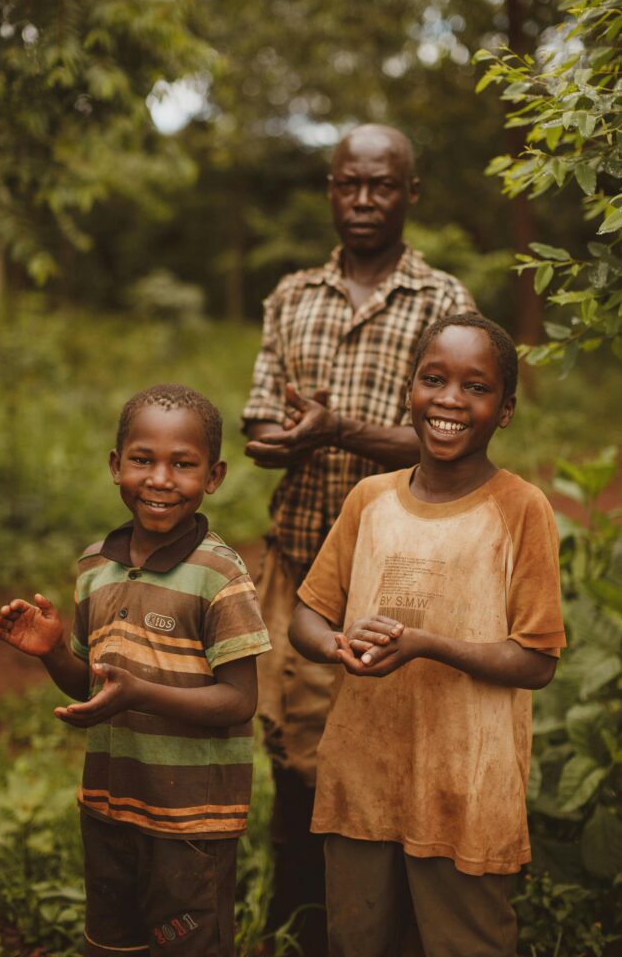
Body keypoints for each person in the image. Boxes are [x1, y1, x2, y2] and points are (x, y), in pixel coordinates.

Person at [241, 123, 475, 951]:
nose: (364, 200)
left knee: (402, 755)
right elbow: (260, 424)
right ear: (330, 190)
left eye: (382, 186)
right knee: (296, 752)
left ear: (410, 194)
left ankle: (397, 928)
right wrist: (279, 438)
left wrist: (337, 428)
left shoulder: (444, 304)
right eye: (349, 184)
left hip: (411, 576)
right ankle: (301, 923)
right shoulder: (291, 296)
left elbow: (454, 439)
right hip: (304, 565)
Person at [289, 314, 566, 957]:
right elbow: (306, 616)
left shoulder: (521, 508)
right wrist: (338, 645)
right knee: (358, 940)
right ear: (409, 391)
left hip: (466, 793)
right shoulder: (369, 498)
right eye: (433, 379)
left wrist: (426, 644)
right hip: (360, 783)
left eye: (476, 387)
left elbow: (536, 659)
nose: (449, 400)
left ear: (505, 411)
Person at [0, 383, 271, 957]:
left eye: (183, 465)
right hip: (111, 809)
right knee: (114, 941)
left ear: (213, 477)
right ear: (117, 466)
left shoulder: (220, 576)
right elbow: (94, 687)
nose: (160, 479)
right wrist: (52, 653)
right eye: (143, 460)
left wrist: (141, 692)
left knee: (183, 943)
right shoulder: (96, 567)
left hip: (193, 825)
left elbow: (238, 701)